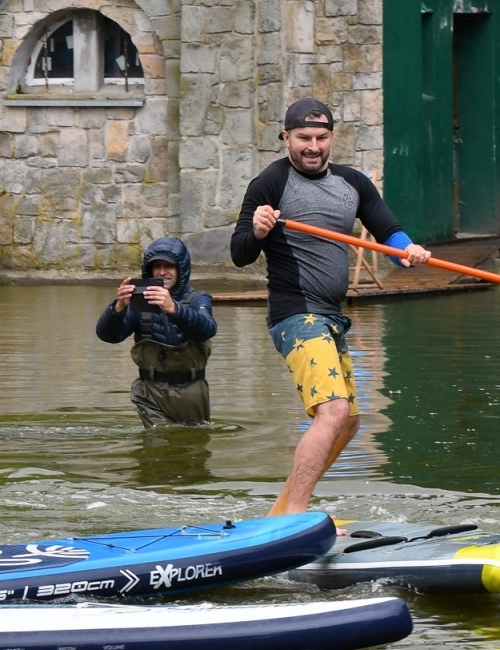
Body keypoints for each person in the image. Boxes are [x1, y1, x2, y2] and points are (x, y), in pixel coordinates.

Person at [231, 98, 430, 516]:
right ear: (286, 137)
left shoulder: (353, 183)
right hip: (295, 315)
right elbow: (239, 254)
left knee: (350, 420)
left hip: (331, 318)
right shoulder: (269, 184)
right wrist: (257, 229)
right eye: (303, 137)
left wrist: (407, 250)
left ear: (332, 138)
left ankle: (282, 509)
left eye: (321, 138)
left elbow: (388, 233)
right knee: (333, 409)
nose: (313, 146)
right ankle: (295, 516)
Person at [95, 236, 217, 427]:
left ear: (180, 269)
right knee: (158, 442)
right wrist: (117, 308)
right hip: (150, 393)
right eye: (156, 266)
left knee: (193, 447)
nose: (162, 272)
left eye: (168, 266)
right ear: (149, 270)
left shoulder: (197, 299)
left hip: (192, 391)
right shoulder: (139, 303)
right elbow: (108, 336)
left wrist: (174, 309)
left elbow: (208, 329)